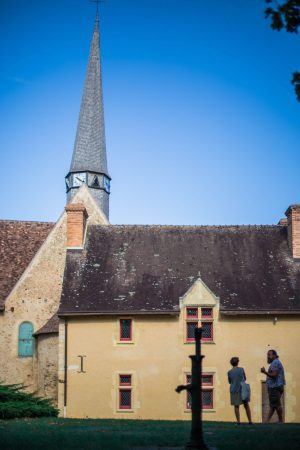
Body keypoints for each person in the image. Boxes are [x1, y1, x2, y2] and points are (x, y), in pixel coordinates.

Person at [261, 349, 285, 423]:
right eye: (268, 355)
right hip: (276, 386)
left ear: (274, 355)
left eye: (269, 355)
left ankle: (281, 421)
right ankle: (267, 421)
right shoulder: (276, 362)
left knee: (277, 404)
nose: (268, 356)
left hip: (274, 386)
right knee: (273, 405)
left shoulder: (275, 363)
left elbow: (274, 375)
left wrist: (264, 372)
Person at [228, 356, 252, 424]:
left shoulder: (229, 372)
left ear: (231, 363)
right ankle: (250, 421)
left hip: (234, 389)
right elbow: (245, 378)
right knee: (246, 405)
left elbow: (229, 381)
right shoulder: (241, 369)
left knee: (236, 406)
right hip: (242, 389)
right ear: (238, 362)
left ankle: (238, 421)